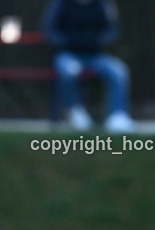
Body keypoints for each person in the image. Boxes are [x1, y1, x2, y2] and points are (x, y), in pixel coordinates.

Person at [41, 0, 133, 132]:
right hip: (68, 53)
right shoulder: (60, 3)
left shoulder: (103, 4)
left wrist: (97, 41)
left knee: (118, 70)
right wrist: (67, 42)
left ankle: (117, 116)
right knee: (69, 71)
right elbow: (49, 30)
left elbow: (112, 29)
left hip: (95, 55)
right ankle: (74, 112)